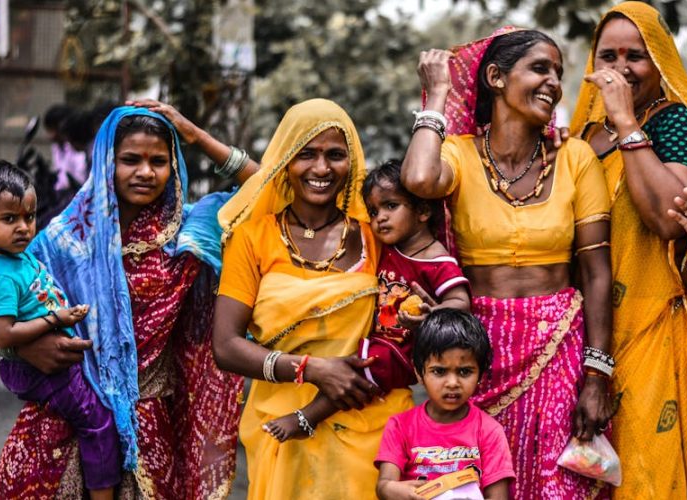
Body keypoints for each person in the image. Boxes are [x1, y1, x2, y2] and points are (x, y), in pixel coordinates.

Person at [0, 107, 245, 498]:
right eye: (130, 159)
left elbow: (270, 189)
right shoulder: (65, 239)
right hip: (61, 427)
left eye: (159, 161)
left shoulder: (188, 236)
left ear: (174, 166)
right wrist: (28, 346)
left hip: (147, 434)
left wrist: (196, 135)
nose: (145, 172)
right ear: (106, 163)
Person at [403, 28, 616, 499]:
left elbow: (598, 274)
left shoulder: (576, 158)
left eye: (558, 72)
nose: (554, 82)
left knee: (556, 485)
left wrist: (597, 374)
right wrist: (437, 93)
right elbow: (418, 178)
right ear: (496, 77)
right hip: (477, 350)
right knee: (473, 484)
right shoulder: (457, 153)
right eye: (540, 68)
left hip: (558, 345)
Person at [568, 2, 687, 497]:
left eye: (635, 56)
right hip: (578, 334)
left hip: (651, 333)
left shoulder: (681, 127)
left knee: (647, 475)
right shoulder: (581, 137)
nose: (620, 69)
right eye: (608, 56)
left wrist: (624, 122)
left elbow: (668, 218)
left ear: (660, 60)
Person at [212, 98, 413, 498]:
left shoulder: (377, 235)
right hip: (282, 427)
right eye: (307, 154)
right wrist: (312, 369)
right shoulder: (252, 238)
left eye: (335, 155)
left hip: (370, 425)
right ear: (287, 160)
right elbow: (226, 346)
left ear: (352, 161)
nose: (321, 169)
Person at [262, 159, 470, 442]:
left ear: (422, 211)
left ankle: (307, 418)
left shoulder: (435, 259)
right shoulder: (388, 248)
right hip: (381, 340)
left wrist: (434, 314)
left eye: (390, 206)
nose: (379, 218)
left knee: (356, 371)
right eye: (373, 211)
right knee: (349, 363)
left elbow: (461, 301)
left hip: (402, 349)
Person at [0, 160, 118, 500]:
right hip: (49, 371)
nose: (23, 228)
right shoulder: (2, 274)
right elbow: (0, 334)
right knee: (98, 422)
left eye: (29, 217)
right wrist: (55, 321)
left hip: (44, 361)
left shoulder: (6, 255)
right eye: (9, 219)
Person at [375, 309, 514, 500]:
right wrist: (402, 492)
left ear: (480, 374)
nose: (452, 383)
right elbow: (384, 486)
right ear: (419, 373)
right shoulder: (400, 426)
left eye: (464, 372)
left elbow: (498, 497)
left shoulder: (489, 431)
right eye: (439, 371)